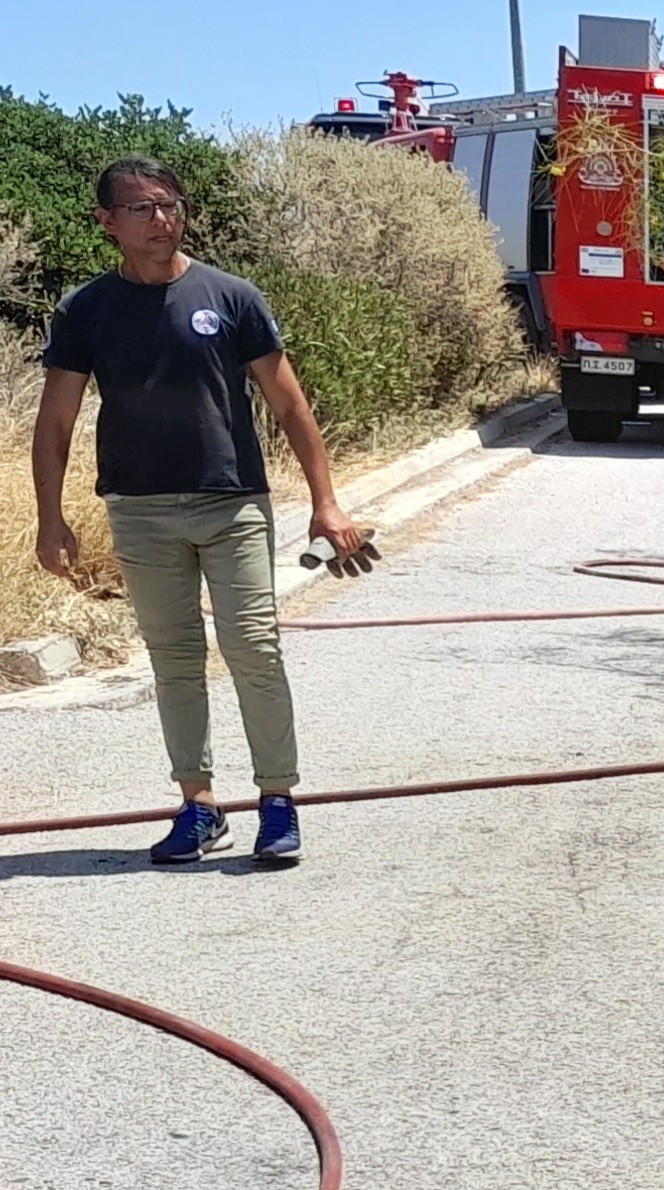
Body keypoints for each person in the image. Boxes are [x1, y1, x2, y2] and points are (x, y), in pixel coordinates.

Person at [32, 155, 375, 866]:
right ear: (106, 223)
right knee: (175, 661)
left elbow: (288, 402)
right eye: (142, 208)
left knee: (254, 649)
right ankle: (198, 805)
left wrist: (326, 501)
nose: (162, 218)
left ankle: (277, 801)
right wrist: (50, 517)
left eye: (171, 204)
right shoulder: (85, 310)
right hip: (140, 510)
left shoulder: (231, 296)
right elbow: (56, 421)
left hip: (233, 505)